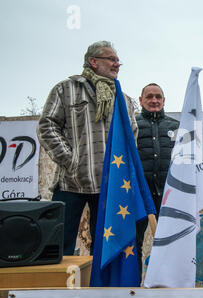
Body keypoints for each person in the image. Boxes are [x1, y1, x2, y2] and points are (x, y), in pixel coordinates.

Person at [37, 41, 138, 256]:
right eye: (111, 59)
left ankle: (98, 289)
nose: (117, 64)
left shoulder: (124, 99)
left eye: (118, 61)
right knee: (59, 244)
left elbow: (132, 134)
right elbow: (47, 125)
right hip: (71, 182)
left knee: (105, 249)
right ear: (93, 61)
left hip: (110, 185)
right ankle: (60, 289)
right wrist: (70, 159)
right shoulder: (66, 89)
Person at [135, 83, 179, 272]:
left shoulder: (176, 126)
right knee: (133, 244)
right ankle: (132, 288)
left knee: (172, 245)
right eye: (149, 96)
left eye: (158, 96)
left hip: (168, 197)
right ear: (141, 100)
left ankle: (170, 288)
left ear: (164, 100)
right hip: (138, 197)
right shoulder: (132, 125)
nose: (154, 100)